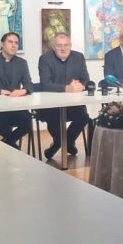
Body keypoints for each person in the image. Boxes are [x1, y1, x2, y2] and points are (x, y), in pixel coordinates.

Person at [37, 32, 92, 161]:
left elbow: (86, 80)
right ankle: (68, 143)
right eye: (59, 45)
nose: (63, 48)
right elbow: (45, 84)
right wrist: (67, 88)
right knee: (53, 120)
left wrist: (81, 86)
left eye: (66, 45)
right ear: (53, 47)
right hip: (51, 106)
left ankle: (59, 143)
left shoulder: (78, 57)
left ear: (70, 46)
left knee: (84, 117)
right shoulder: (45, 59)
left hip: (73, 105)